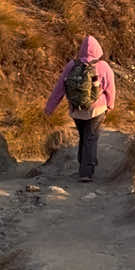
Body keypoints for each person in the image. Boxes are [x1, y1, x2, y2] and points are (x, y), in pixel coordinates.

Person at [44, 36, 116, 182]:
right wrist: (110, 105)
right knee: (91, 138)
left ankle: (84, 165)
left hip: (76, 109)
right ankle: (86, 172)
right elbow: (111, 88)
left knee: (84, 137)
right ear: (98, 49)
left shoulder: (72, 65)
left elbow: (59, 88)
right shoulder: (103, 66)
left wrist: (49, 108)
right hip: (96, 109)